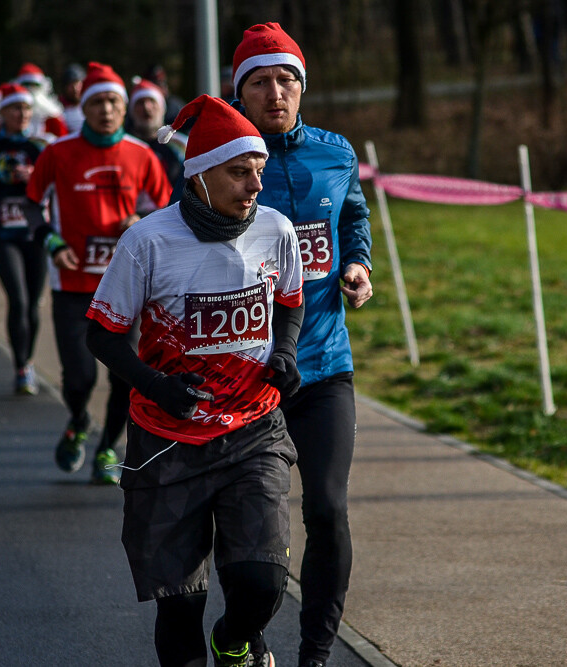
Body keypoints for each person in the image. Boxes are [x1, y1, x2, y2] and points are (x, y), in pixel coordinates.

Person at [86, 93, 304, 667]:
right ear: (201, 175)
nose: (254, 185)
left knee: (262, 582)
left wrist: (284, 351)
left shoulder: (276, 230)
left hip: (253, 428)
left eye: (258, 171)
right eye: (239, 172)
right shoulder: (148, 242)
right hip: (168, 439)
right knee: (180, 605)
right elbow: (102, 335)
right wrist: (156, 385)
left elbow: (289, 300)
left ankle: (233, 641)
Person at [232, 23, 374, 667]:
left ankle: (314, 654)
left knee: (328, 508)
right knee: (252, 529)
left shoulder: (335, 152)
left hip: (322, 363)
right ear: (240, 93)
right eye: (259, 81)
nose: (275, 92)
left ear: (302, 87)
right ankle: (248, 630)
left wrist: (359, 265)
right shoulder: (215, 162)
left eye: (286, 79)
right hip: (244, 374)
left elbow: (352, 215)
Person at [25, 62, 171, 484]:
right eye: (97, 102)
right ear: (83, 108)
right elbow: (33, 204)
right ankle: (77, 420)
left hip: (123, 284)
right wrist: (51, 243)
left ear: (124, 108)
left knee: (125, 374)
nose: (106, 109)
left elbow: (164, 210)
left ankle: (108, 445)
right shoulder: (57, 153)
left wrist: (139, 220)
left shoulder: (141, 155)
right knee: (80, 376)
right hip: (71, 281)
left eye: (113, 101)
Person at [0, 83, 48, 394]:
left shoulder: (40, 147)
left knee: (32, 305)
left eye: (27, 109)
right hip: (2, 235)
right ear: (3, 113)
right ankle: (21, 367)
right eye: (16, 109)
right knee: (17, 299)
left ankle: (27, 359)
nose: (22, 114)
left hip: (35, 234)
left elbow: (55, 186)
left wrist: (36, 178)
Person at [127, 77, 185, 197]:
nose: (146, 107)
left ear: (162, 108)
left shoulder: (181, 145)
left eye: (152, 101)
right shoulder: (123, 145)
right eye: (140, 102)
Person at [59, 63, 85, 133]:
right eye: (71, 85)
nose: (75, 88)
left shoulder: (91, 105)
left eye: (77, 83)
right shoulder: (57, 109)